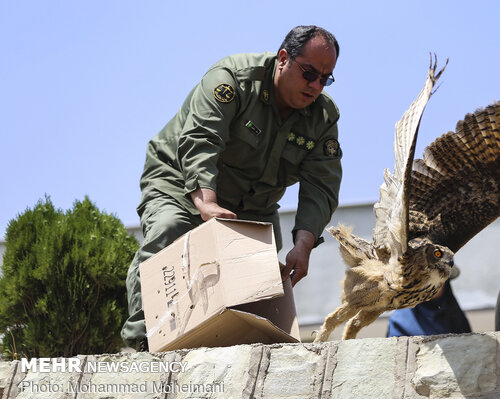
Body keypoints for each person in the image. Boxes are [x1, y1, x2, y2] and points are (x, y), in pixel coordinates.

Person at [121, 26, 343, 350]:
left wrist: (304, 244)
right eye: (309, 73)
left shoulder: (322, 117)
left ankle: (238, 351)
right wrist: (206, 203)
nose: (316, 86)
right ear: (283, 59)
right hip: (181, 181)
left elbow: (321, 186)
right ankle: (142, 345)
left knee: (262, 275)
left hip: (251, 203)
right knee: (172, 230)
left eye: (326, 79)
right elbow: (201, 141)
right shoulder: (233, 79)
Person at [387, 267, 471, 337]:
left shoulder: (456, 316)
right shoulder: (399, 323)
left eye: (440, 276)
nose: (433, 284)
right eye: (427, 277)